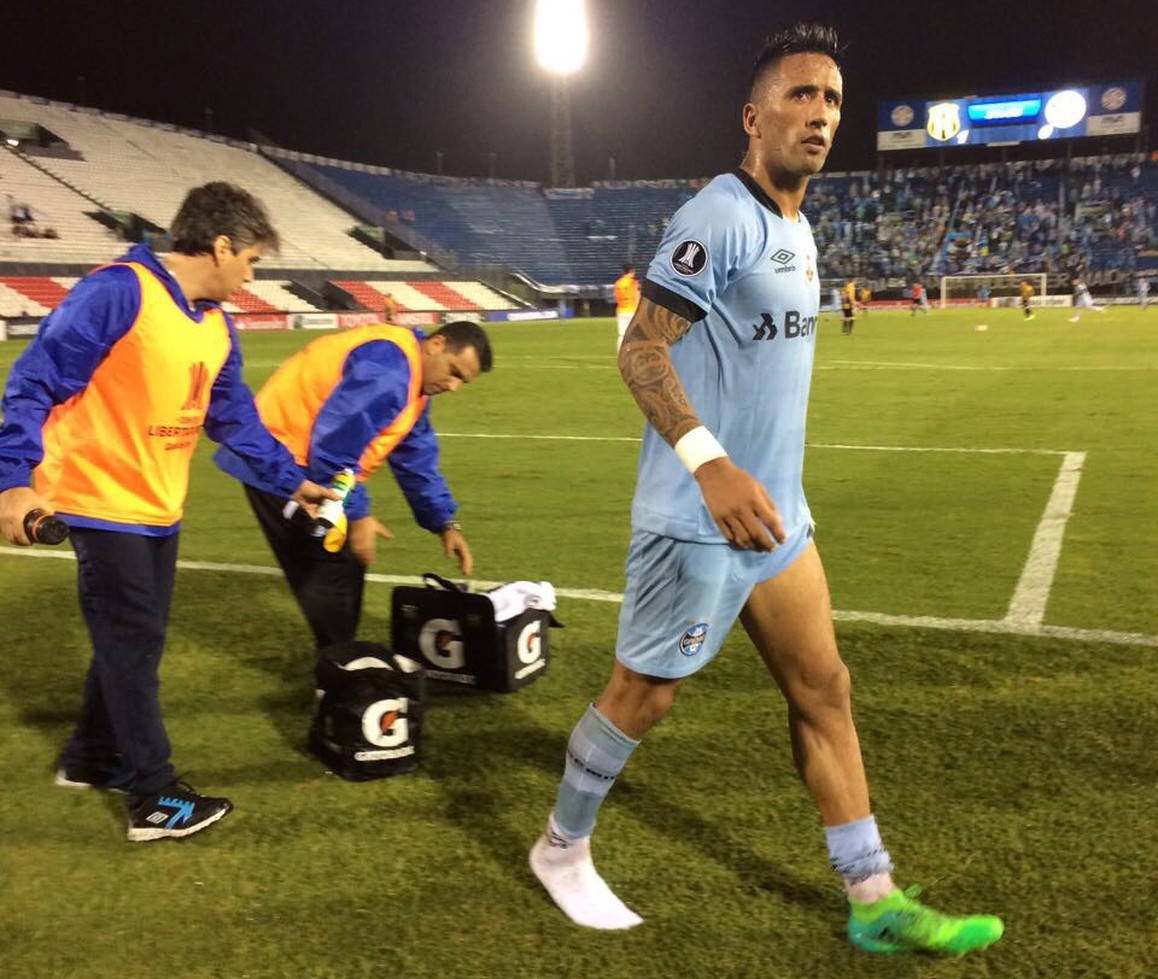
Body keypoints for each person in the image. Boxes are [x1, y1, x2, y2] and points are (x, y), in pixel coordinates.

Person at [527, 24, 1004, 956]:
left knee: (824, 688)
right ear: (754, 117)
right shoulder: (723, 214)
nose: (820, 114)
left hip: (777, 519)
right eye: (800, 96)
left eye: (831, 99)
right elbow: (642, 347)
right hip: (701, 516)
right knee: (643, 695)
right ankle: (560, 847)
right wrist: (709, 462)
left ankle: (873, 894)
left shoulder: (796, 222)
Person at [0, 182, 336, 842]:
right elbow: (32, 381)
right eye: (253, 260)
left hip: (159, 506)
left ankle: (89, 758)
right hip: (96, 501)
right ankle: (152, 795)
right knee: (133, 641)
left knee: (132, 639)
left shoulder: (216, 324)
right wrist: (12, 480)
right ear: (221, 245)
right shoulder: (118, 291)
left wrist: (293, 481)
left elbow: (234, 418)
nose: (252, 275)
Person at [214, 320, 492, 650]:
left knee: (341, 564)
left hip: (300, 467)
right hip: (281, 466)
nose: (453, 386)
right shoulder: (390, 371)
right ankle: (339, 671)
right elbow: (332, 448)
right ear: (435, 344)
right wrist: (358, 515)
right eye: (454, 371)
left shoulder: (410, 376)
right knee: (332, 565)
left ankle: (340, 664)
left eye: (463, 381)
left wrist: (443, 521)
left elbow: (415, 457)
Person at [614, 263, 641, 350]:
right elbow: (636, 296)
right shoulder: (633, 283)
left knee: (622, 334)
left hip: (621, 310)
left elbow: (616, 297)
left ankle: (621, 353)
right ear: (631, 271)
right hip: (632, 310)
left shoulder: (618, 283)